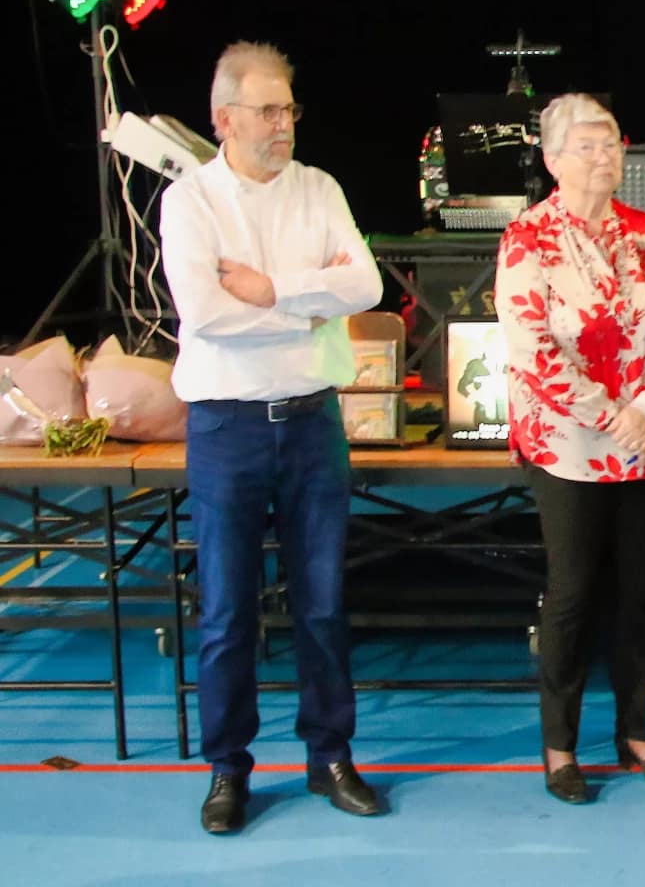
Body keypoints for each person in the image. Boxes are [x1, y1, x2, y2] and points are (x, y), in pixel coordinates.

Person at [160, 41, 385, 834]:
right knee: (227, 611)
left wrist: (270, 289)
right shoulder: (190, 201)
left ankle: (330, 755)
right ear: (224, 119)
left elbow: (367, 285)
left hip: (313, 422)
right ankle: (228, 769)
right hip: (227, 428)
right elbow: (205, 314)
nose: (283, 123)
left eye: (289, 108)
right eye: (266, 111)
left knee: (323, 605)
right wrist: (309, 306)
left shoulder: (319, 188)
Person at [495, 93, 645, 804]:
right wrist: (613, 415)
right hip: (569, 443)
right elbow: (532, 351)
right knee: (573, 594)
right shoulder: (528, 237)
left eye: (611, 142)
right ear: (552, 159)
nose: (604, 156)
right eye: (587, 145)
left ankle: (639, 736)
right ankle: (560, 748)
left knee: (640, 593)